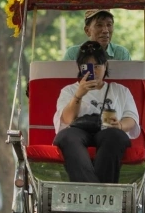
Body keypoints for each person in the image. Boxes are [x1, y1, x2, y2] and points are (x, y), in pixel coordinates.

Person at [53, 41, 140, 184]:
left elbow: (131, 118)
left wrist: (119, 126)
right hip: (78, 131)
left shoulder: (120, 90)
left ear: (105, 66)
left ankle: (91, 193)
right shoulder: (69, 90)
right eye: (88, 66)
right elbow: (67, 119)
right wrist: (79, 95)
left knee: (115, 136)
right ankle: (99, 193)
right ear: (81, 69)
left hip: (109, 130)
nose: (93, 70)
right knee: (67, 137)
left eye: (97, 66)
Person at [63, 10, 131, 61]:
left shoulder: (122, 54)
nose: (105, 30)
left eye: (109, 25)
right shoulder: (73, 54)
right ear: (87, 30)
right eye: (99, 25)